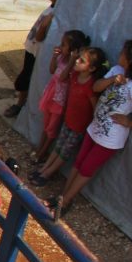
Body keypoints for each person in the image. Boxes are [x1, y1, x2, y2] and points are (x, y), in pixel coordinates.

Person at [49, 39, 132, 219]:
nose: (120, 54)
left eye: (124, 52)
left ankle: (64, 202)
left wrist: (130, 122)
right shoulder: (117, 71)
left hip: (111, 137)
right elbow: (97, 86)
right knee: (79, 162)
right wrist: (113, 79)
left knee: (86, 169)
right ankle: (61, 197)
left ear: (131, 60)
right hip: (95, 127)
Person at [30, 47, 106, 187]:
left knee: (65, 152)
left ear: (91, 68)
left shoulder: (90, 86)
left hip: (79, 126)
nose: (76, 60)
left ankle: (47, 173)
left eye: (81, 60)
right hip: (68, 120)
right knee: (59, 146)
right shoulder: (75, 77)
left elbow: (95, 108)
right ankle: (44, 168)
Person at [4, 0, 67, 118]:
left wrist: (44, 25)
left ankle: (20, 105)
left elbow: (39, 37)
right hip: (32, 49)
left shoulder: (55, 13)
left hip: (38, 52)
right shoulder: (52, 7)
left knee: (25, 80)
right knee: (25, 77)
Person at [33, 30, 89, 163]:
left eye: (64, 44)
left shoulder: (73, 67)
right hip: (51, 96)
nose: (60, 46)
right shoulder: (61, 59)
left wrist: (71, 61)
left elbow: (63, 77)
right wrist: (54, 57)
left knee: (51, 129)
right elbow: (52, 70)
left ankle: (42, 153)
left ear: (72, 50)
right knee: (46, 125)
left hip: (60, 101)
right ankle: (39, 148)